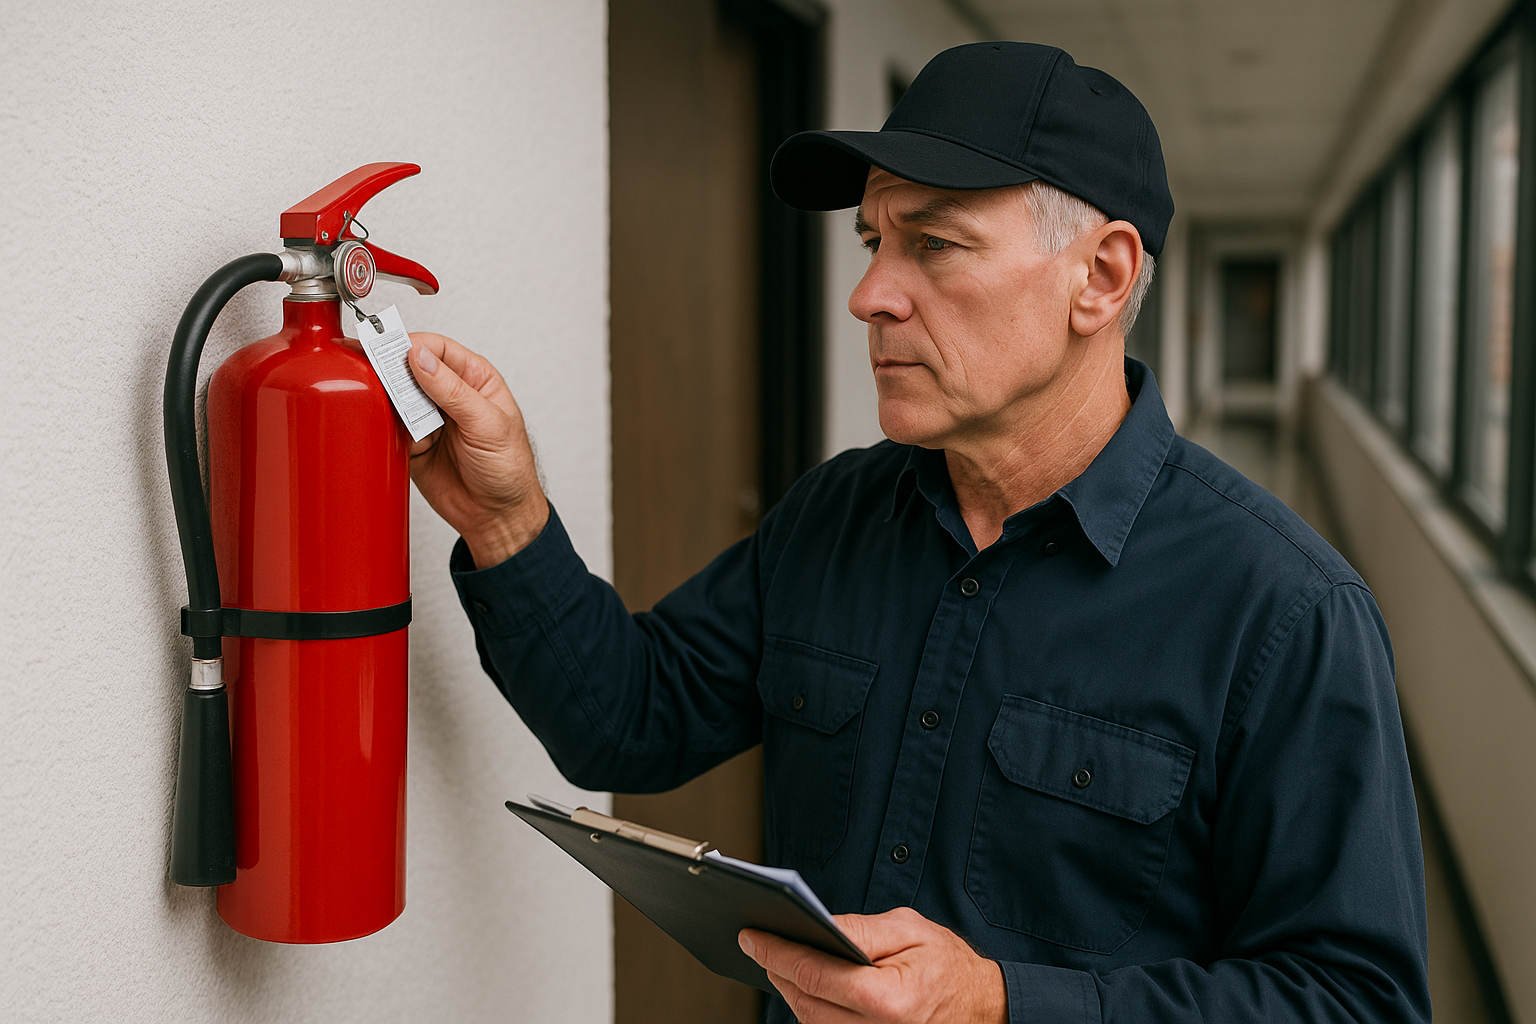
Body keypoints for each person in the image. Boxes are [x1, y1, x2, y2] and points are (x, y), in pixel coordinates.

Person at [405, 42, 1430, 1024]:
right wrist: (508, 518)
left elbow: (1355, 999)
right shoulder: (830, 517)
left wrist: (999, 1004)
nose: (867, 295)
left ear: (1102, 278)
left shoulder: (1287, 612)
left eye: (933, 244)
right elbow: (624, 719)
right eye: (872, 241)